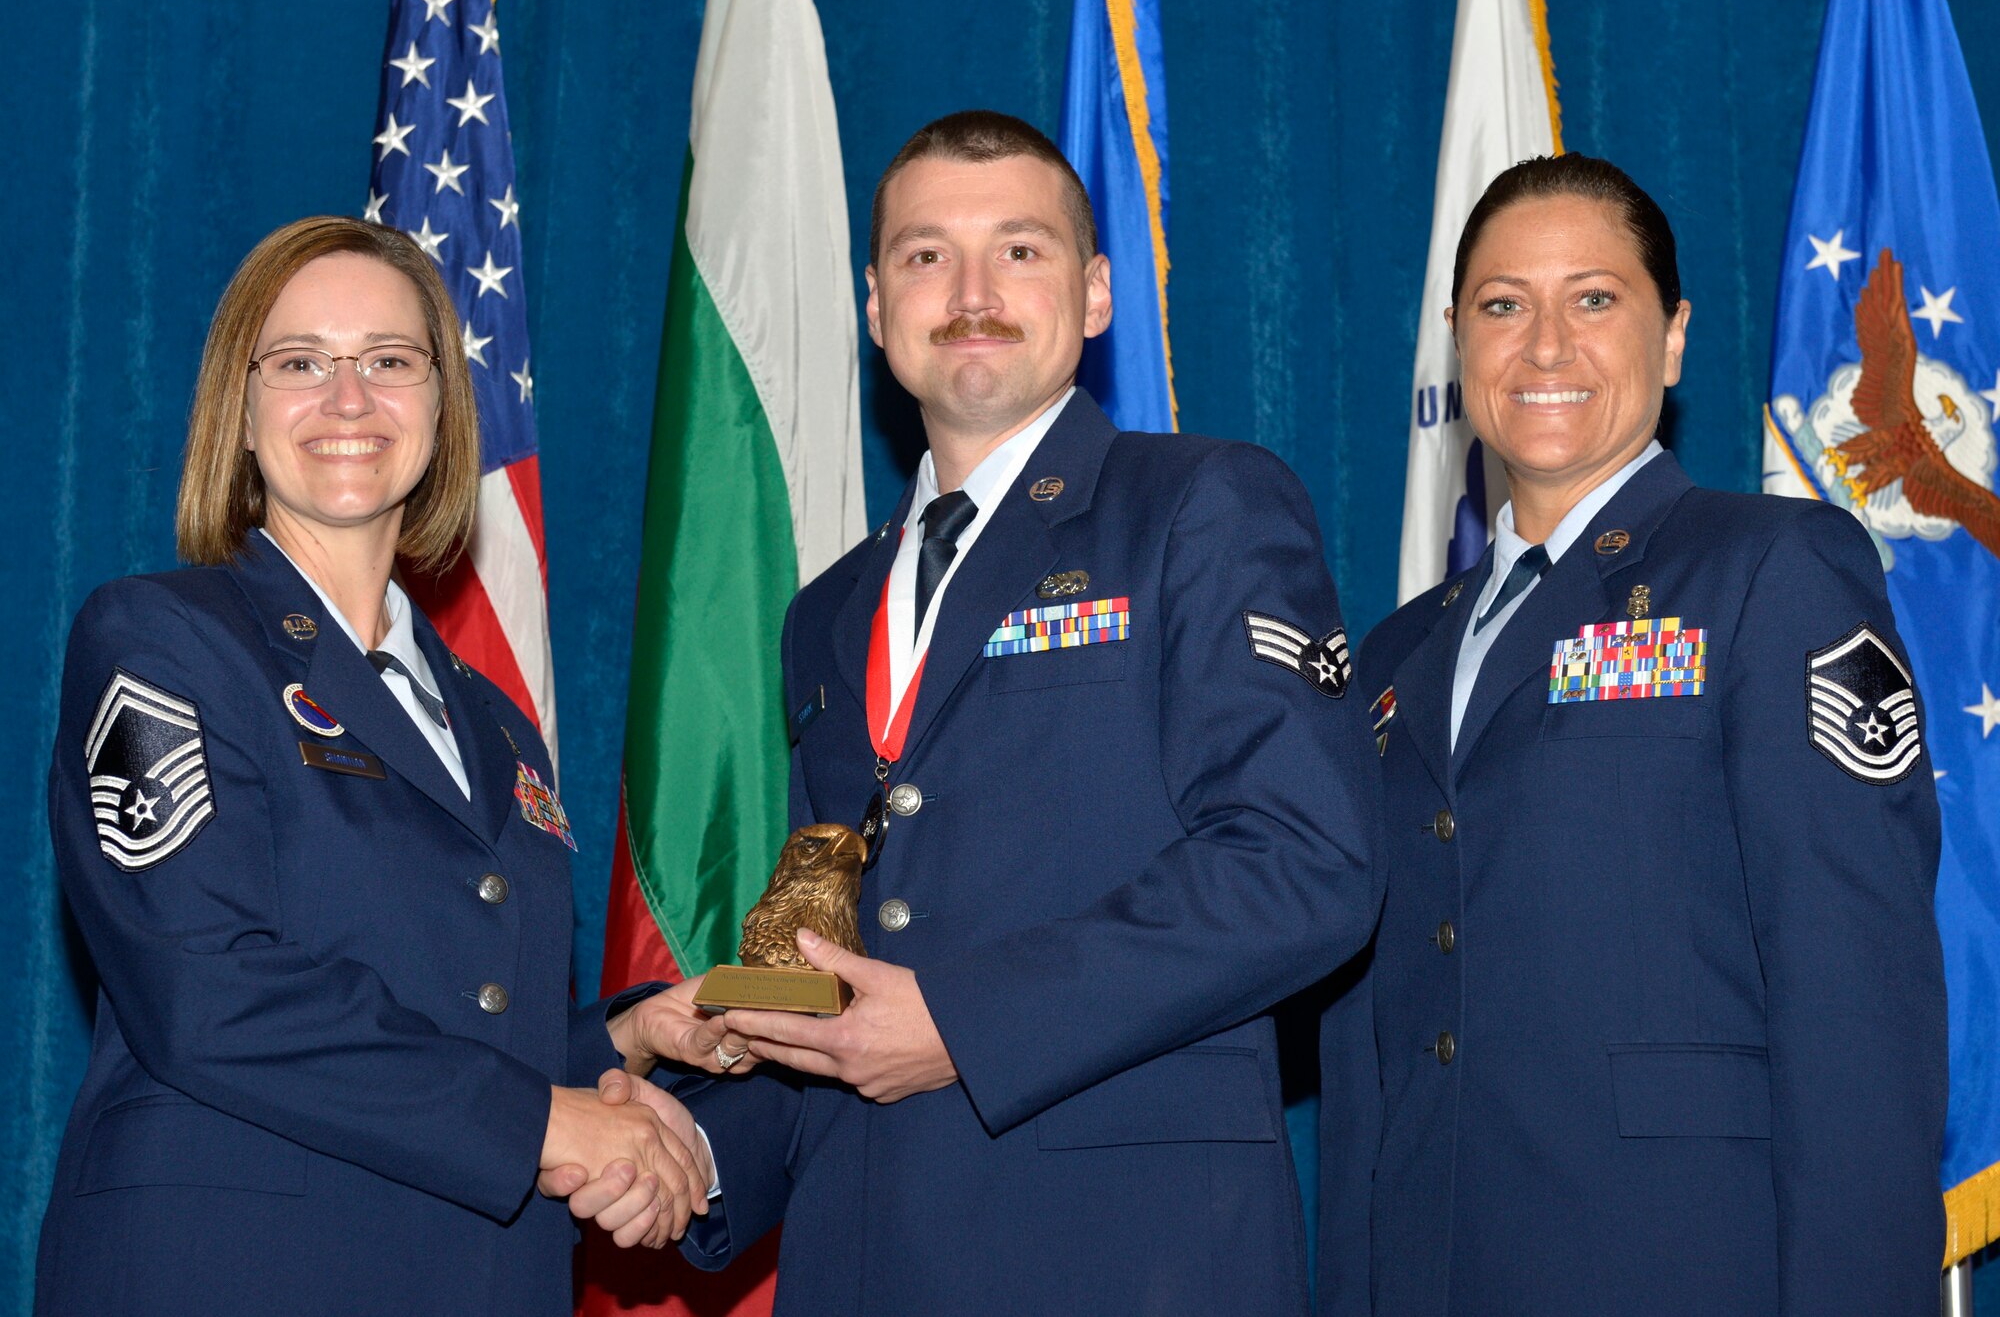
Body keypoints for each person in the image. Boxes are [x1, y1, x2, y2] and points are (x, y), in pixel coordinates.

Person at [570, 110, 1386, 1314]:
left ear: (1096, 293)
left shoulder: (1199, 507)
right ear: (872, 305)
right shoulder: (828, 609)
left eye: (1019, 249)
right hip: (864, 1259)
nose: (968, 291)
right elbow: (841, 963)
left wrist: (961, 1022)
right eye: (922, 255)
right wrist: (693, 1161)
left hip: (1122, 1259)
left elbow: (1304, 866)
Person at [37, 216, 751, 1316]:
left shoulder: (495, 727)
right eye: (301, 364)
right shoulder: (160, 641)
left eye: (388, 362)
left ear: (440, 409)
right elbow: (206, 988)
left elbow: (463, 1017)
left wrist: (627, 1035)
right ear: (240, 407)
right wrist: (553, 1125)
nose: (349, 399)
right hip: (229, 1271)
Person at [1321, 153, 1948, 1315]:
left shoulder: (1770, 573)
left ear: (1670, 338)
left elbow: (1855, 1005)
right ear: (1457, 344)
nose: (1544, 346)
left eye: (1593, 300)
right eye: (1503, 306)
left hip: (1680, 1264)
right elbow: (1373, 1027)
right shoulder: (1400, 652)